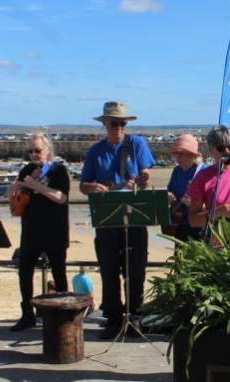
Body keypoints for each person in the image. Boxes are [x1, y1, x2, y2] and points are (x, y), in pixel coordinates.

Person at [79, 101, 155, 340]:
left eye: (123, 123)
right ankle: (113, 319)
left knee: (136, 271)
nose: (120, 127)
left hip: (133, 219)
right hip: (107, 220)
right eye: (115, 123)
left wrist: (142, 181)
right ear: (105, 124)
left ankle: (134, 318)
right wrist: (93, 187)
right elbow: (82, 186)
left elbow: (147, 177)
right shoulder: (96, 151)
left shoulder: (137, 144)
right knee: (109, 272)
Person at [8, 133, 70, 332]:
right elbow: (14, 198)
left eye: (38, 150)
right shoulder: (27, 169)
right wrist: (14, 188)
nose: (34, 155)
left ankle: (63, 316)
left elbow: (61, 197)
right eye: (31, 151)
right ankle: (27, 314)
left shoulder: (59, 170)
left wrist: (37, 187)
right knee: (24, 272)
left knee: (59, 273)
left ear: (48, 150)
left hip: (55, 230)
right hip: (31, 229)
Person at [165, 134, 206, 243]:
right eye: (176, 154)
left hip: (200, 226)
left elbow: (214, 203)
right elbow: (171, 192)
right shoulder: (177, 171)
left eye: (182, 154)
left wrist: (194, 204)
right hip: (181, 224)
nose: (178, 157)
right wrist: (169, 197)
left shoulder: (204, 171)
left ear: (193, 155)